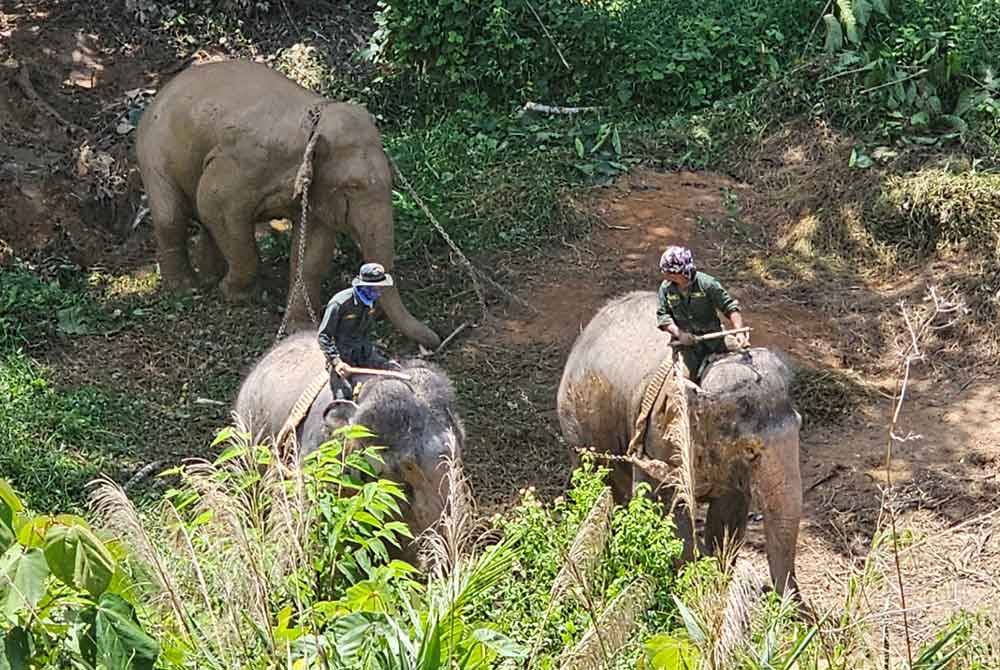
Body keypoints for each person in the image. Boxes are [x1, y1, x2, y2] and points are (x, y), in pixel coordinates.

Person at [656, 245, 749, 382]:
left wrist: (739, 332)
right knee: (685, 382)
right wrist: (679, 334)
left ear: (678, 272)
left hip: (715, 339)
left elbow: (730, 308)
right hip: (688, 346)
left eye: (667, 272)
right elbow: (663, 317)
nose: (664, 274)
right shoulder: (666, 289)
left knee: (744, 361)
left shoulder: (707, 284)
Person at [318, 262, 398, 400]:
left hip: (365, 353)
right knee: (344, 398)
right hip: (343, 356)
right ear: (362, 286)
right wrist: (337, 362)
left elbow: (367, 332)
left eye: (380, 288)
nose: (378, 293)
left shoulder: (373, 302)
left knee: (394, 372)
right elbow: (324, 336)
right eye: (373, 289)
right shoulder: (339, 304)